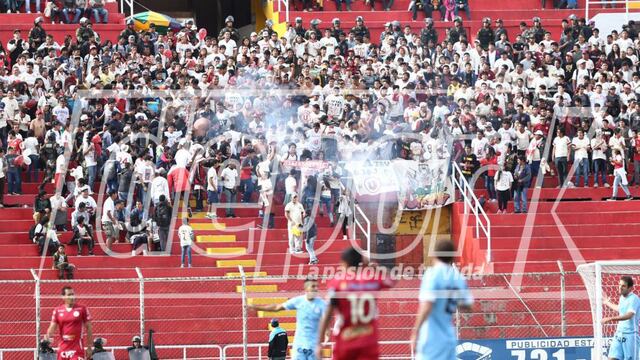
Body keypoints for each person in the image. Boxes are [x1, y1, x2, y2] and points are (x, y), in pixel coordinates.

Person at [316, 247, 394, 360]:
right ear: (362, 262)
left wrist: (319, 342)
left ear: (343, 263)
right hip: (368, 341)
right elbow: (392, 280)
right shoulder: (373, 281)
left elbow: (328, 313)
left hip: (345, 341)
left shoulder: (337, 283)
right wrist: (374, 266)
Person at [410, 240, 474, 359]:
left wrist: (415, 332)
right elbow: (468, 306)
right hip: (449, 338)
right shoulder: (458, 277)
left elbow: (427, 305)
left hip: (432, 338)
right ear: (452, 257)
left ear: (434, 255)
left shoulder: (432, 274)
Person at [249, 276, 326, 360]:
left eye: (317, 286)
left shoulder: (322, 304)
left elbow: (326, 321)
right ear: (306, 288)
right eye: (313, 286)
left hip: (314, 346)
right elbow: (277, 307)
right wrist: (257, 307)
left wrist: (326, 334)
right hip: (299, 346)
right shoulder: (298, 301)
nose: (316, 289)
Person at [45, 286, 93, 360]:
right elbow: (52, 327)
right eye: (69, 295)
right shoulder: (58, 310)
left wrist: (89, 347)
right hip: (63, 348)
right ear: (63, 297)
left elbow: (89, 328)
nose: (72, 297)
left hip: (77, 348)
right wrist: (47, 337)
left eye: (73, 294)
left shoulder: (82, 309)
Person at [603, 276, 640, 360]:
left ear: (630, 288)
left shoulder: (634, 299)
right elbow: (620, 308)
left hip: (630, 335)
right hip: (619, 334)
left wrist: (611, 319)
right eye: (619, 285)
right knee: (612, 358)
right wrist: (607, 303)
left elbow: (629, 315)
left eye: (623, 286)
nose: (620, 287)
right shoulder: (622, 298)